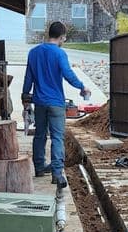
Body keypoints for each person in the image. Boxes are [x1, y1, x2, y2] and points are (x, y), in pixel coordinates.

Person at [21, 21, 91, 188]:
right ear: (62, 37)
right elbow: (68, 74)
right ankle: (57, 173)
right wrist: (82, 86)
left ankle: (39, 168)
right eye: (64, 38)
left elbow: (28, 77)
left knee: (40, 135)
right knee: (57, 137)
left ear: (48, 34)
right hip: (56, 104)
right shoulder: (59, 53)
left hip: (39, 103)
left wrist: (24, 95)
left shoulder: (34, 52)